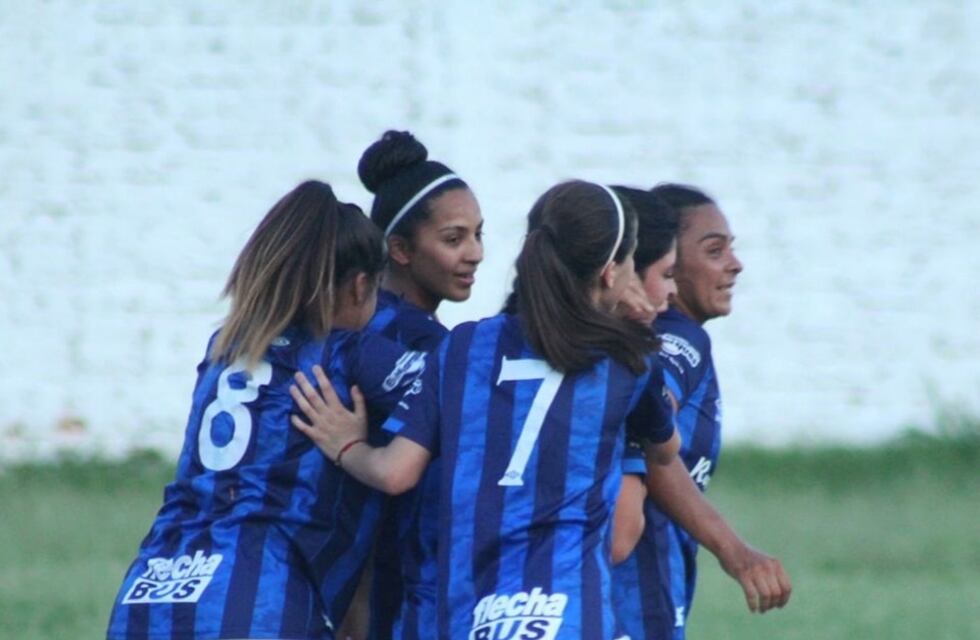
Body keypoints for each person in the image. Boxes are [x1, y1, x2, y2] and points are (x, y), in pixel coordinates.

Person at [290, 180, 681, 640]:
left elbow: (395, 472)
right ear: (611, 272)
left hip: (467, 615)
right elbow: (665, 451)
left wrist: (347, 445)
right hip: (565, 612)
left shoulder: (463, 346)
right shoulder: (630, 360)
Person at [106, 180, 426, 640]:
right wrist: (353, 447)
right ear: (360, 286)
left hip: (149, 594)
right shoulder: (348, 355)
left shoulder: (222, 349)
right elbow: (464, 388)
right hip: (255, 601)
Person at [612, 183, 791, 640]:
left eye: (732, 248)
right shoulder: (679, 339)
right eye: (715, 250)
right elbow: (648, 430)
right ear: (665, 260)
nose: (735, 264)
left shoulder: (641, 338)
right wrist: (735, 552)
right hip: (635, 583)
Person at [350, 130, 484, 640]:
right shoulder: (421, 343)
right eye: (454, 239)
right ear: (400, 249)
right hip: (407, 585)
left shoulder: (357, 323)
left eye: (478, 234)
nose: (475, 254)